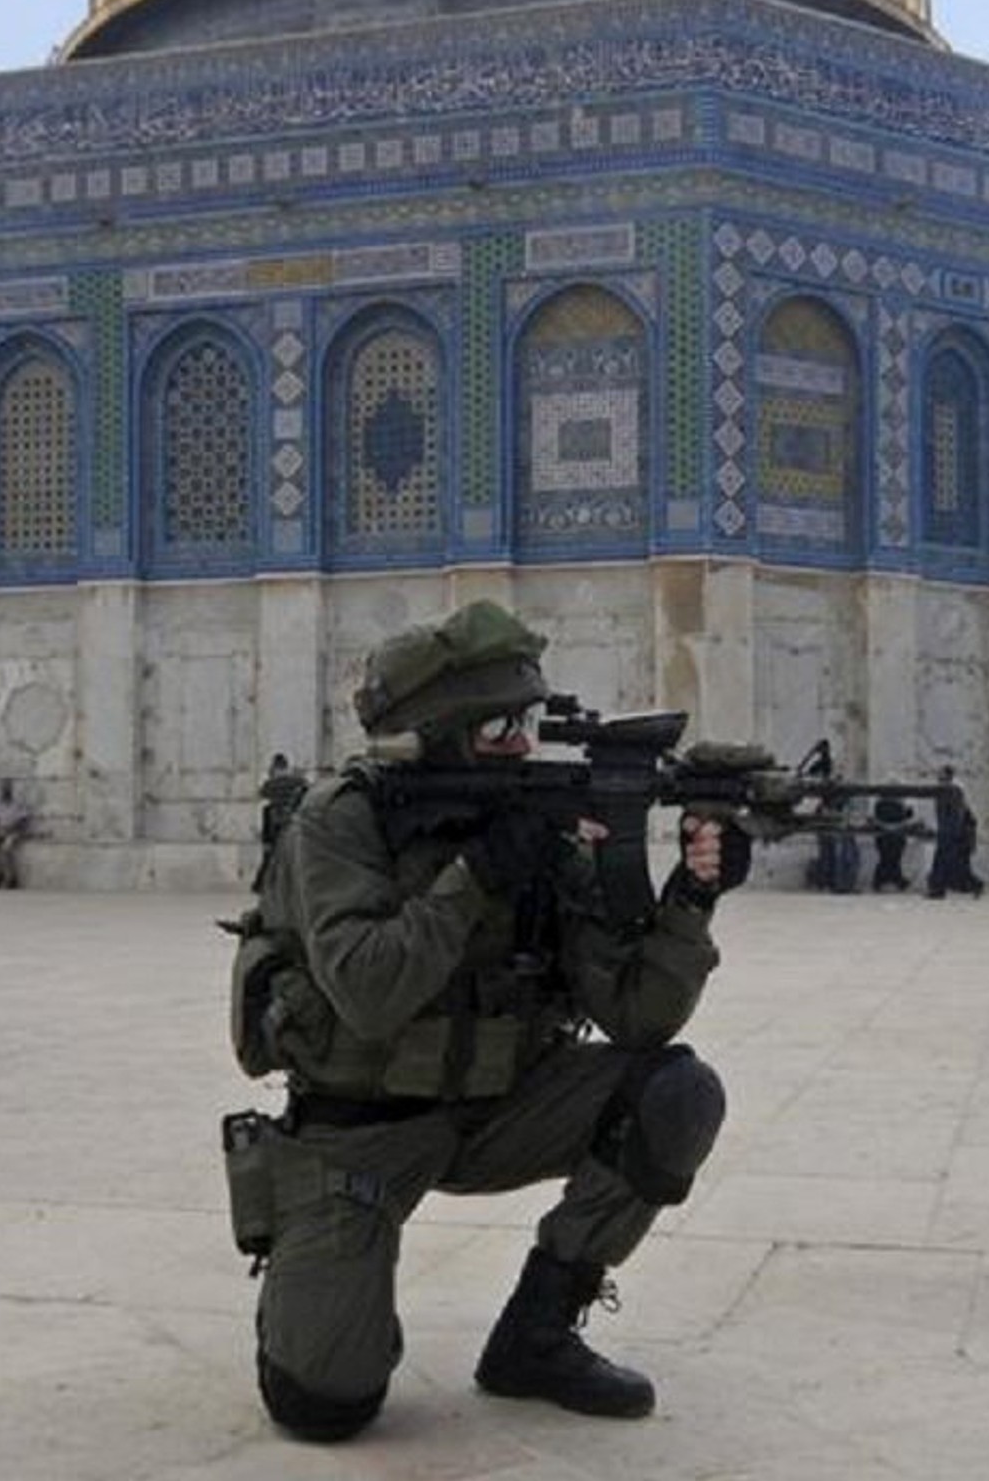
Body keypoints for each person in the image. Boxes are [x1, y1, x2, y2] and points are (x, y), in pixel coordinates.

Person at [232, 599, 745, 1441]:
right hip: (359, 1130)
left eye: (527, 721)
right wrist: (476, 873)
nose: (520, 741)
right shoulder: (342, 822)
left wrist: (691, 898)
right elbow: (368, 989)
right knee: (324, 1401)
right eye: (498, 724)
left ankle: (536, 1333)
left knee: (674, 1093)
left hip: (499, 1107)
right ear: (436, 733)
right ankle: (316, 1274)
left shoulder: (539, 833)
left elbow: (637, 1018)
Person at [251, 752, 309, 891]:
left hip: (275, 826)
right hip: (295, 824)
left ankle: (261, 885)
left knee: (269, 858)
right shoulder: (298, 781)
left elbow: (261, 794)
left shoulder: (270, 783)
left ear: (274, 767)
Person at [925, 770, 984, 899]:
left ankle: (940, 889)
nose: (940, 780)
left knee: (954, 865)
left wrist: (952, 834)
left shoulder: (954, 791)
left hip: (956, 835)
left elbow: (958, 817)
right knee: (946, 864)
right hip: (950, 834)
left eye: (942, 777)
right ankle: (938, 889)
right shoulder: (945, 792)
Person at [0, 780, 32, 889]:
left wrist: (11, 828)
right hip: (0, 831)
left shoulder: (18, 804)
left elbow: (24, 820)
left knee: (5, 849)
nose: (5, 791)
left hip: (14, 832)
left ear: (11, 790)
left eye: (7, 789)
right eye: (4, 789)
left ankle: (12, 877)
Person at [871, 794, 914, 891]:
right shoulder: (897, 804)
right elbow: (906, 816)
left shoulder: (880, 804)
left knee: (887, 858)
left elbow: (876, 819)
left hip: (884, 834)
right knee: (892, 858)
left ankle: (883, 880)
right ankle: (887, 879)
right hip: (894, 834)